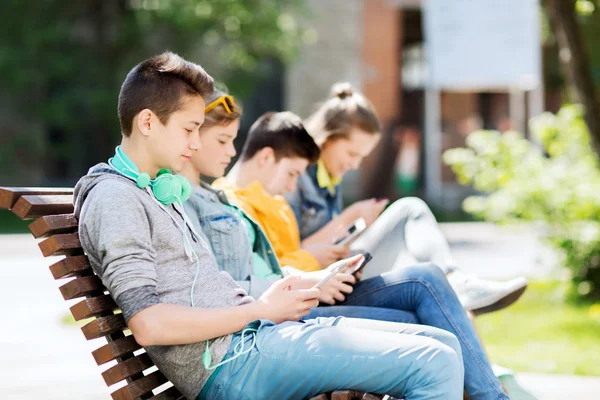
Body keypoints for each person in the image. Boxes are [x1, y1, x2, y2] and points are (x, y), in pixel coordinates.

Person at [73, 52, 464, 400]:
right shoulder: (116, 198)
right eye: (189, 128)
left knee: (442, 342)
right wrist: (262, 309)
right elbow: (149, 325)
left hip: (254, 340)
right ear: (147, 122)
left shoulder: (157, 189)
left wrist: (269, 298)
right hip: (232, 363)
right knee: (435, 362)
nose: (196, 143)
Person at [209, 108, 509, 399]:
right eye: (291, 174)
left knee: (426, 278)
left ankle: (491, 390)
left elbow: (285, 258)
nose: (292, 186)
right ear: (265, 157)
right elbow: (259, 279)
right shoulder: (232, 209)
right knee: (422, 310)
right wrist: (316, 273)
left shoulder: (273, 203)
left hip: (319, 291)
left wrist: (329, 264)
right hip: (300, 308)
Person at [286, 82, 527, 315]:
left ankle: (458, 284)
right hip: (317, 284)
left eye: (361, 157)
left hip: (339, 271)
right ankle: (457, 283)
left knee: (420, 256)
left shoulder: (329, 180)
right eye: (351, 153)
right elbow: (289, 253)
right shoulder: (294, 180)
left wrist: (351, 233)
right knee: (410, 209)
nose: (354, 164)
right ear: (326, 138)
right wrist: (351, 216)